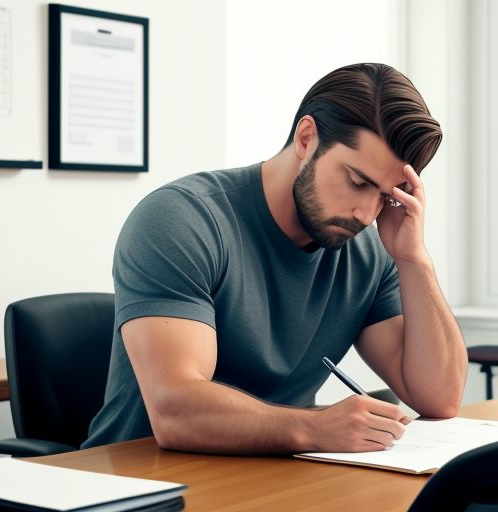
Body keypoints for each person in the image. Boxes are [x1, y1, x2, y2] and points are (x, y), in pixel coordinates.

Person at [82, 63, 468, 454]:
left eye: (386, 195)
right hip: (143, 483)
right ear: (306, 139)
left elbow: (438, 399)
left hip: (277, 475)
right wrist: (316, 427)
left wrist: (414, 260)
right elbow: (174, 410)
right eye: (357, 182)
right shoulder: (183, 221)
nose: (367, 214)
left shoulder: (369, 250)